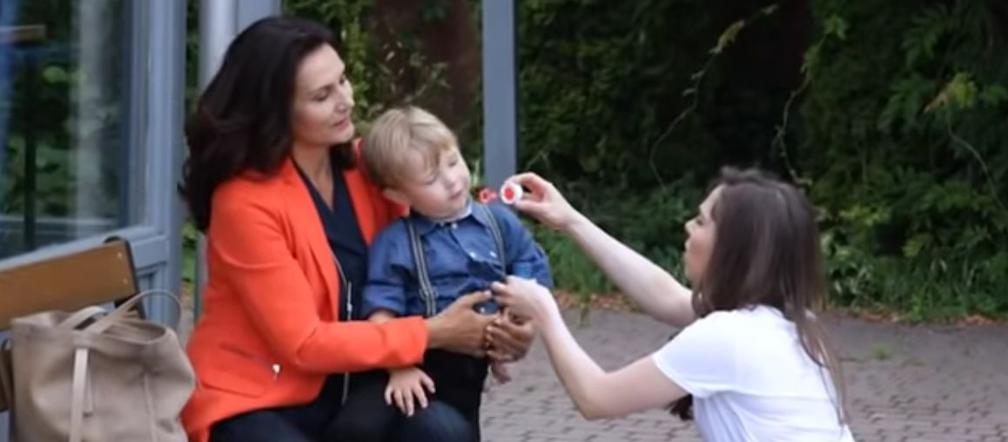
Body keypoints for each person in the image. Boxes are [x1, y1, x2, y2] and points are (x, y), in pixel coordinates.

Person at [178, 17, 534, 442]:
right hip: (261, 399)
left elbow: (445, 250)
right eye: (322, 96)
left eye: (343, 80)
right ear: (276, 111)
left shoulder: (370, 166)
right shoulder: (243, 201)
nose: (346, 100)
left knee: (444, 433)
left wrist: (507, 326)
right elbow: (304, 344)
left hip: (363, 388)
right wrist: (431, 332)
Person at [491, 168, 856, 441]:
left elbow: (597, 398)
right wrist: (570, 220)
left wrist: (544, 311)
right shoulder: (789, 321)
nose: (687, 227)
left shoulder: (730, 336)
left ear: (733, 249)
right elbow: (664, 296)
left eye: (701, 221)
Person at [329, 106, 554, 442]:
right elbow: (379, 312)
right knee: (357, 427)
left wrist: (515, 321)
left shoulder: (499, 223)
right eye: (431, 178)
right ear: (398, 195)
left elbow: (531, 269)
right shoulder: (396, 242)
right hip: (414, 366)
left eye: (453, 162)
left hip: (467, 375)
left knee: (459, 431)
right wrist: (399, 367)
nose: (451, 180)